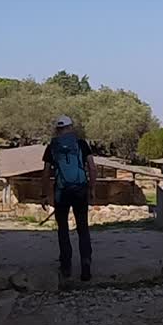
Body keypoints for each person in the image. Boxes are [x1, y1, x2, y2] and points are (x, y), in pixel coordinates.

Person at [42, 116, 96, 281]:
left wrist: (45, 194)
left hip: (62, 191)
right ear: (71, 127)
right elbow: (92, 167)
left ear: (57, 130)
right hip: (80, 190)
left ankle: (66, 266)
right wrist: (92, 188)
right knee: (82, 227)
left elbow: (45, 173)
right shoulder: (81, 144)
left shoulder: (52, 147)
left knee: (63, 228)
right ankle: (86, 264)